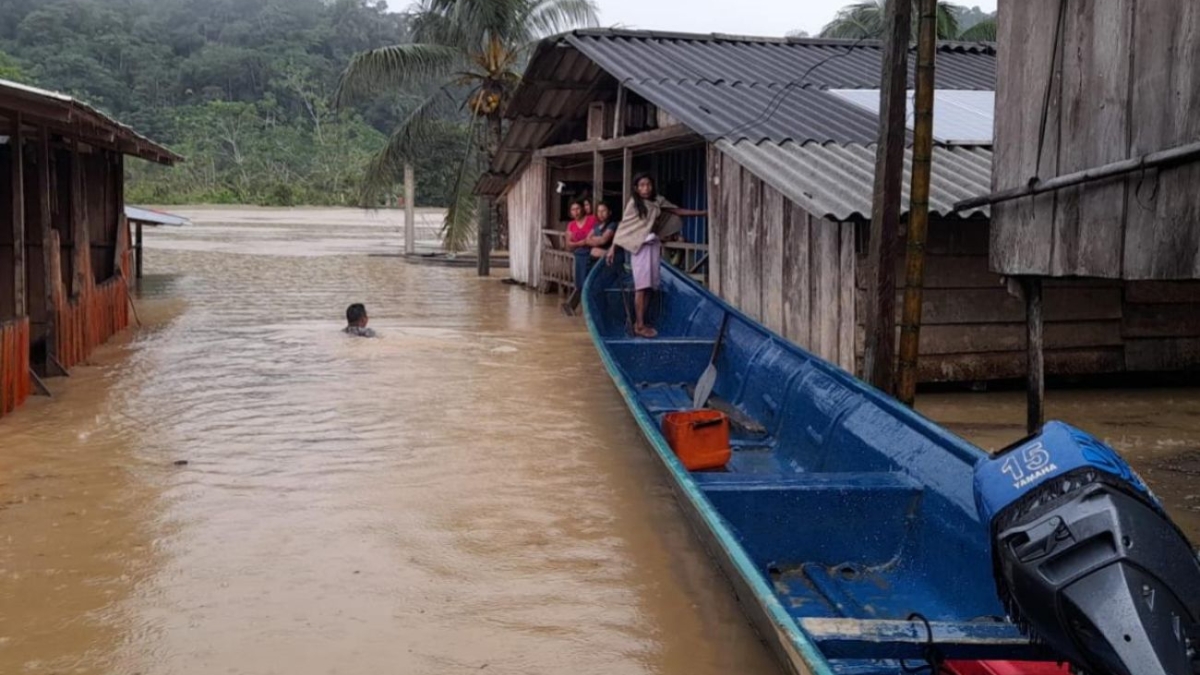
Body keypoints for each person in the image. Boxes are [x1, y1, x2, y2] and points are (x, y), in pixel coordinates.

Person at [608, 174, 706, 338]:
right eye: (641, 185)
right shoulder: (634, 203)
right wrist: (613, 248)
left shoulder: (658, 201)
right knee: (641, 287)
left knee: (650, 287)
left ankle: (640, 323)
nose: (645, 188)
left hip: (653, 246)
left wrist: (701, 213)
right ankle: (639, 325)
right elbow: (624, 226)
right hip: (639, 248)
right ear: (636, 188)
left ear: (652, 186)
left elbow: (676, 210)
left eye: (648, 185)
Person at [561, 201, 621, 316]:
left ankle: (589, 309)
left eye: (604, 211)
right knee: (583, 283)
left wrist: (591, 242)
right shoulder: (596, 225)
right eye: (599, 211)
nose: (601, 214)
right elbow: (582, 241)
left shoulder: (611, 224)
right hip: (587, 256)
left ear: (610, 212)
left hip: (601, 258)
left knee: (590, 284)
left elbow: (603, 240)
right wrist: (587, 242)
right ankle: (586, 309)